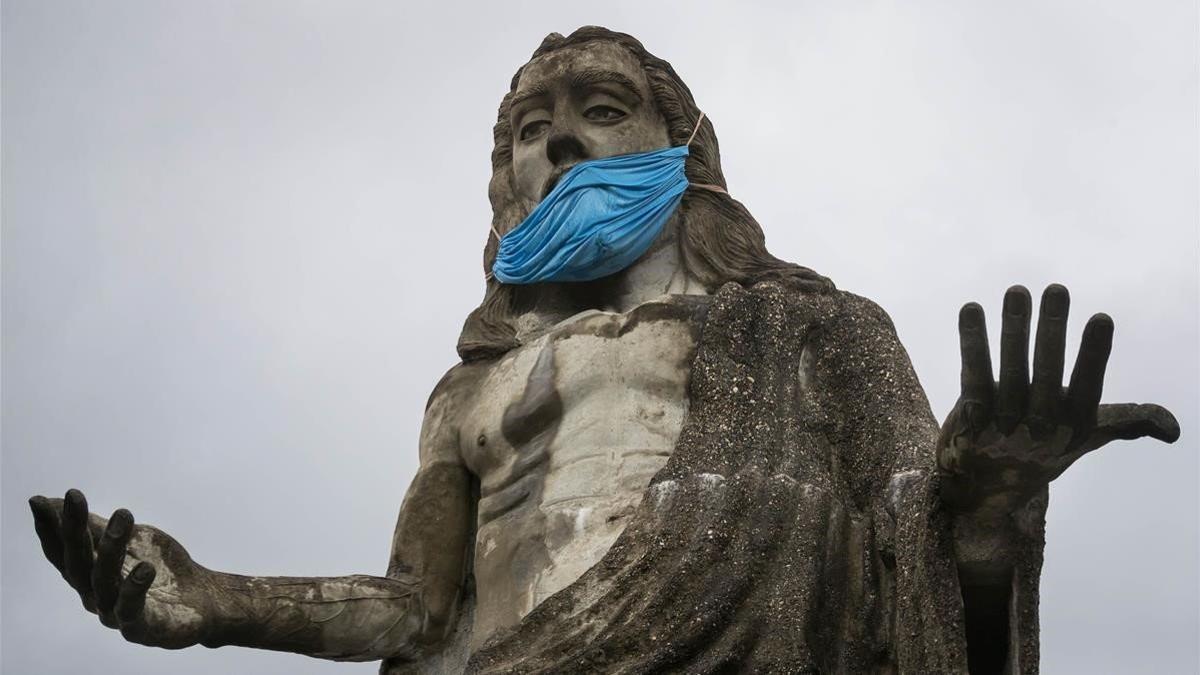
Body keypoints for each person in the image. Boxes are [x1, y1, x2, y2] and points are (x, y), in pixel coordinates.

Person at [29, 27, 1179, 674]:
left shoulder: (821, 335)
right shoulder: (468, 395)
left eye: (601, 111)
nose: (563, 142)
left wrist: (988, 503)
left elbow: (918, 542)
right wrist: (217, 598)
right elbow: (415, 612)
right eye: (532, 133)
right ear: (508, 186)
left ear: (683, 154)